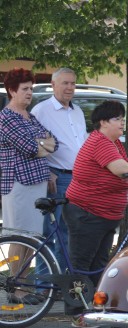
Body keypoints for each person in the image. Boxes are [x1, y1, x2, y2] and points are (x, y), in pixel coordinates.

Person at [62, 100, 128, 328]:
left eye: (122, 118)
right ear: (103, 122)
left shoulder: (115, 143)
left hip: (105, 215)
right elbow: (119, 168)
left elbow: (122, 166)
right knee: (82, 263)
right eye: (117, 119)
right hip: (87, 212)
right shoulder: (101, 142)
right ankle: (76, 312)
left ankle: (95, 306)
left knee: (99, 263)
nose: (122, 123)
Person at [0, 68, 58, 305]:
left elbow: (55, 143)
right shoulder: (7, 117)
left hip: (37, 182)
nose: (29, 93)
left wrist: (42, 145)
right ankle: (16, 286)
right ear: (12, 90)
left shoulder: (29, 116)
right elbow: (30, 147)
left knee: (32, 237)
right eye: (25, 89)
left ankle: (24, 283)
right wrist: (42, 145)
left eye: (31, 89)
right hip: (18, 183)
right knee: (18, 235)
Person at [31, 68, 88, 270]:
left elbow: (81, 143)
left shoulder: (78, 111)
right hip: (57, 178)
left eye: (73, 83)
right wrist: (46, 171)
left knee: (71, 232)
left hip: (79, 178)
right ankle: (44, 284)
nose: (70, 87)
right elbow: (34, 148)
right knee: (50, 232)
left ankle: (62, 281)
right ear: (53, 85)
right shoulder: (41, 110)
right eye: (65, 83)